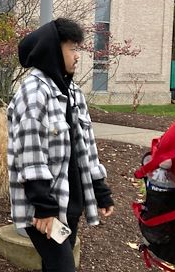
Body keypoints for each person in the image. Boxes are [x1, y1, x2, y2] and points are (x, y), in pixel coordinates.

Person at [7, 18, 114, 272]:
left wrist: (100, 190)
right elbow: (30, 156)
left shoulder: (72, 91)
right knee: (62, 266)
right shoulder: (33, 92)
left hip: (70, 203)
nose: (77, 56)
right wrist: (44, 207)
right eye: (72, 49)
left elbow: (86, 146)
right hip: (43, 207)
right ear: (54, 50)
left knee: (55, 266)